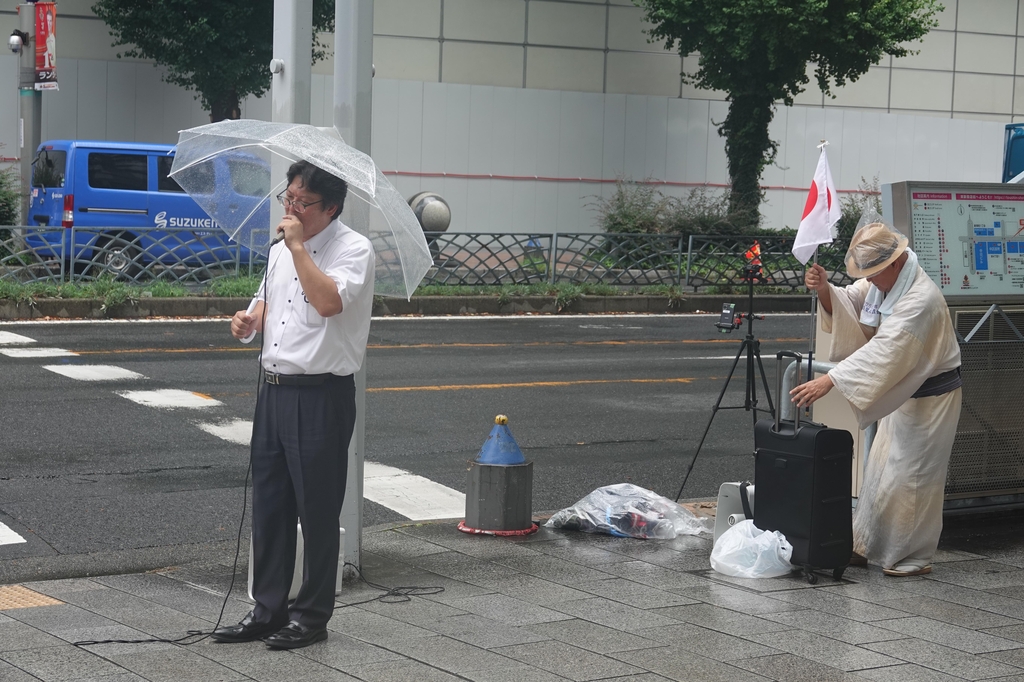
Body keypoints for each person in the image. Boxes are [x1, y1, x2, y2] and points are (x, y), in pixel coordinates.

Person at [215, 160, 374, 649]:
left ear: (331, 207)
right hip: (274, 389)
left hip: (321, 395)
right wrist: (246, 322)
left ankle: (311, 617)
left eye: (301, 202)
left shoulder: (352, 249)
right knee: (270, 505)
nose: (290, 208)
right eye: (288, 198)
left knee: (318, 509)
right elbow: (268, 307)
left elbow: (327, 303)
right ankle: (268, 608)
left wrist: (300, 247)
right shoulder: (282, 251)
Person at [790, 222, 962, 577]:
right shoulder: (885, 280)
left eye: (874, 273)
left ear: (895, 263)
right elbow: (853, 299)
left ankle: (911, 554)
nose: (870, 280)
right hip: (903, 393)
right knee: (881, 474)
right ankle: (868, 544)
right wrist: (825, 290)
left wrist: (832, 378)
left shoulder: (920, 299)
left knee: (913, 478)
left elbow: (888, 351)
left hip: (932, 400)